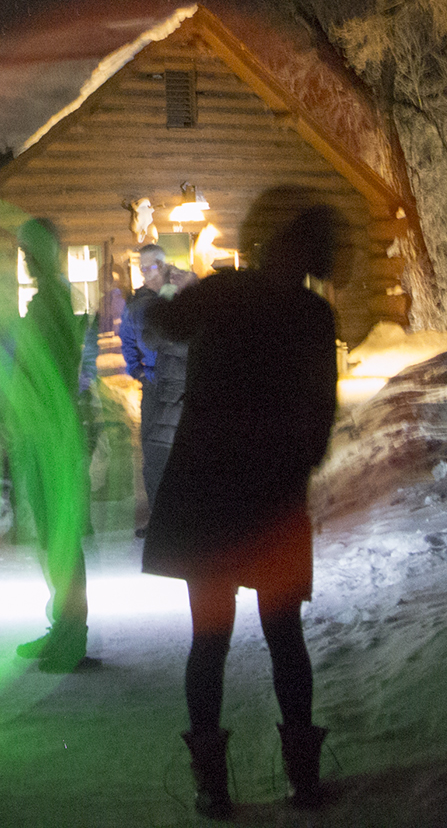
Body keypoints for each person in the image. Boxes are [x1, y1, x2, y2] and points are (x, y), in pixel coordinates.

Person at [143, 200, 344, 816]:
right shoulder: (313, 314)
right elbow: (320, 412)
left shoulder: (224, 293)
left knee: (210, 639)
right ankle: (302, 783)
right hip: (273, 495)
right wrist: (299, 466)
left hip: (207, 489)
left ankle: (211, 788)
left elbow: (165, 323)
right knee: (285, 636)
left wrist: (160, 290)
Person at [7, 216, 91, 673]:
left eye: (27, 250)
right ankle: (62, 626)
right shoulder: (48, 301)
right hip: (43, 434)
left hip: (52, 438)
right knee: (52, 535)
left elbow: (51, 372)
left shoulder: (51, 303)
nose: (23, 258)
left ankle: (70, 638)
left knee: (61, 537)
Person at [118, 242, 195, 530]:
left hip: (181, 385)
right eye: (140, 268)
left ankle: (185, 518)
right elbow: (128, 338)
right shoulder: (138, 302)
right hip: (152, 385)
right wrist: (137, 369)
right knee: (153, 454)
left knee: (180, 452)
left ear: (162, 266)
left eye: (149, 268)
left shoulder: (184, 292)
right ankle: (159, 518)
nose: (144, 274)